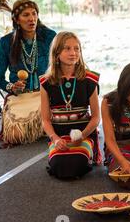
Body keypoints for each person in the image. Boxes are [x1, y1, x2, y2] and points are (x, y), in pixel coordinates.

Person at [0, 0, 56, 144]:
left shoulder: (49, 37)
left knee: (56, 128)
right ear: (16, 19)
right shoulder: (5, 42)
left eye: (34, 14)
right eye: (26, 15)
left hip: (47, 94)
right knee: (15, 137)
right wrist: (11, 87)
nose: (31, 18)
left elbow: (60, 65)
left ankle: (43, 126)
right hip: (20, 96)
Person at [40, 31, 101, 179]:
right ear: (56, 53)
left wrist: (83, 135)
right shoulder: (45, 82)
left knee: (77, 162)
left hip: (84, 135)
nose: (73, 53)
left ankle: (88, 153)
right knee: (59, 166)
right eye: (67, 48)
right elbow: (46, 120)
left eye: (77, 48)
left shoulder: (90, 79)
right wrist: (55, 139)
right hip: (59, 136)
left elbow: (96, 118)